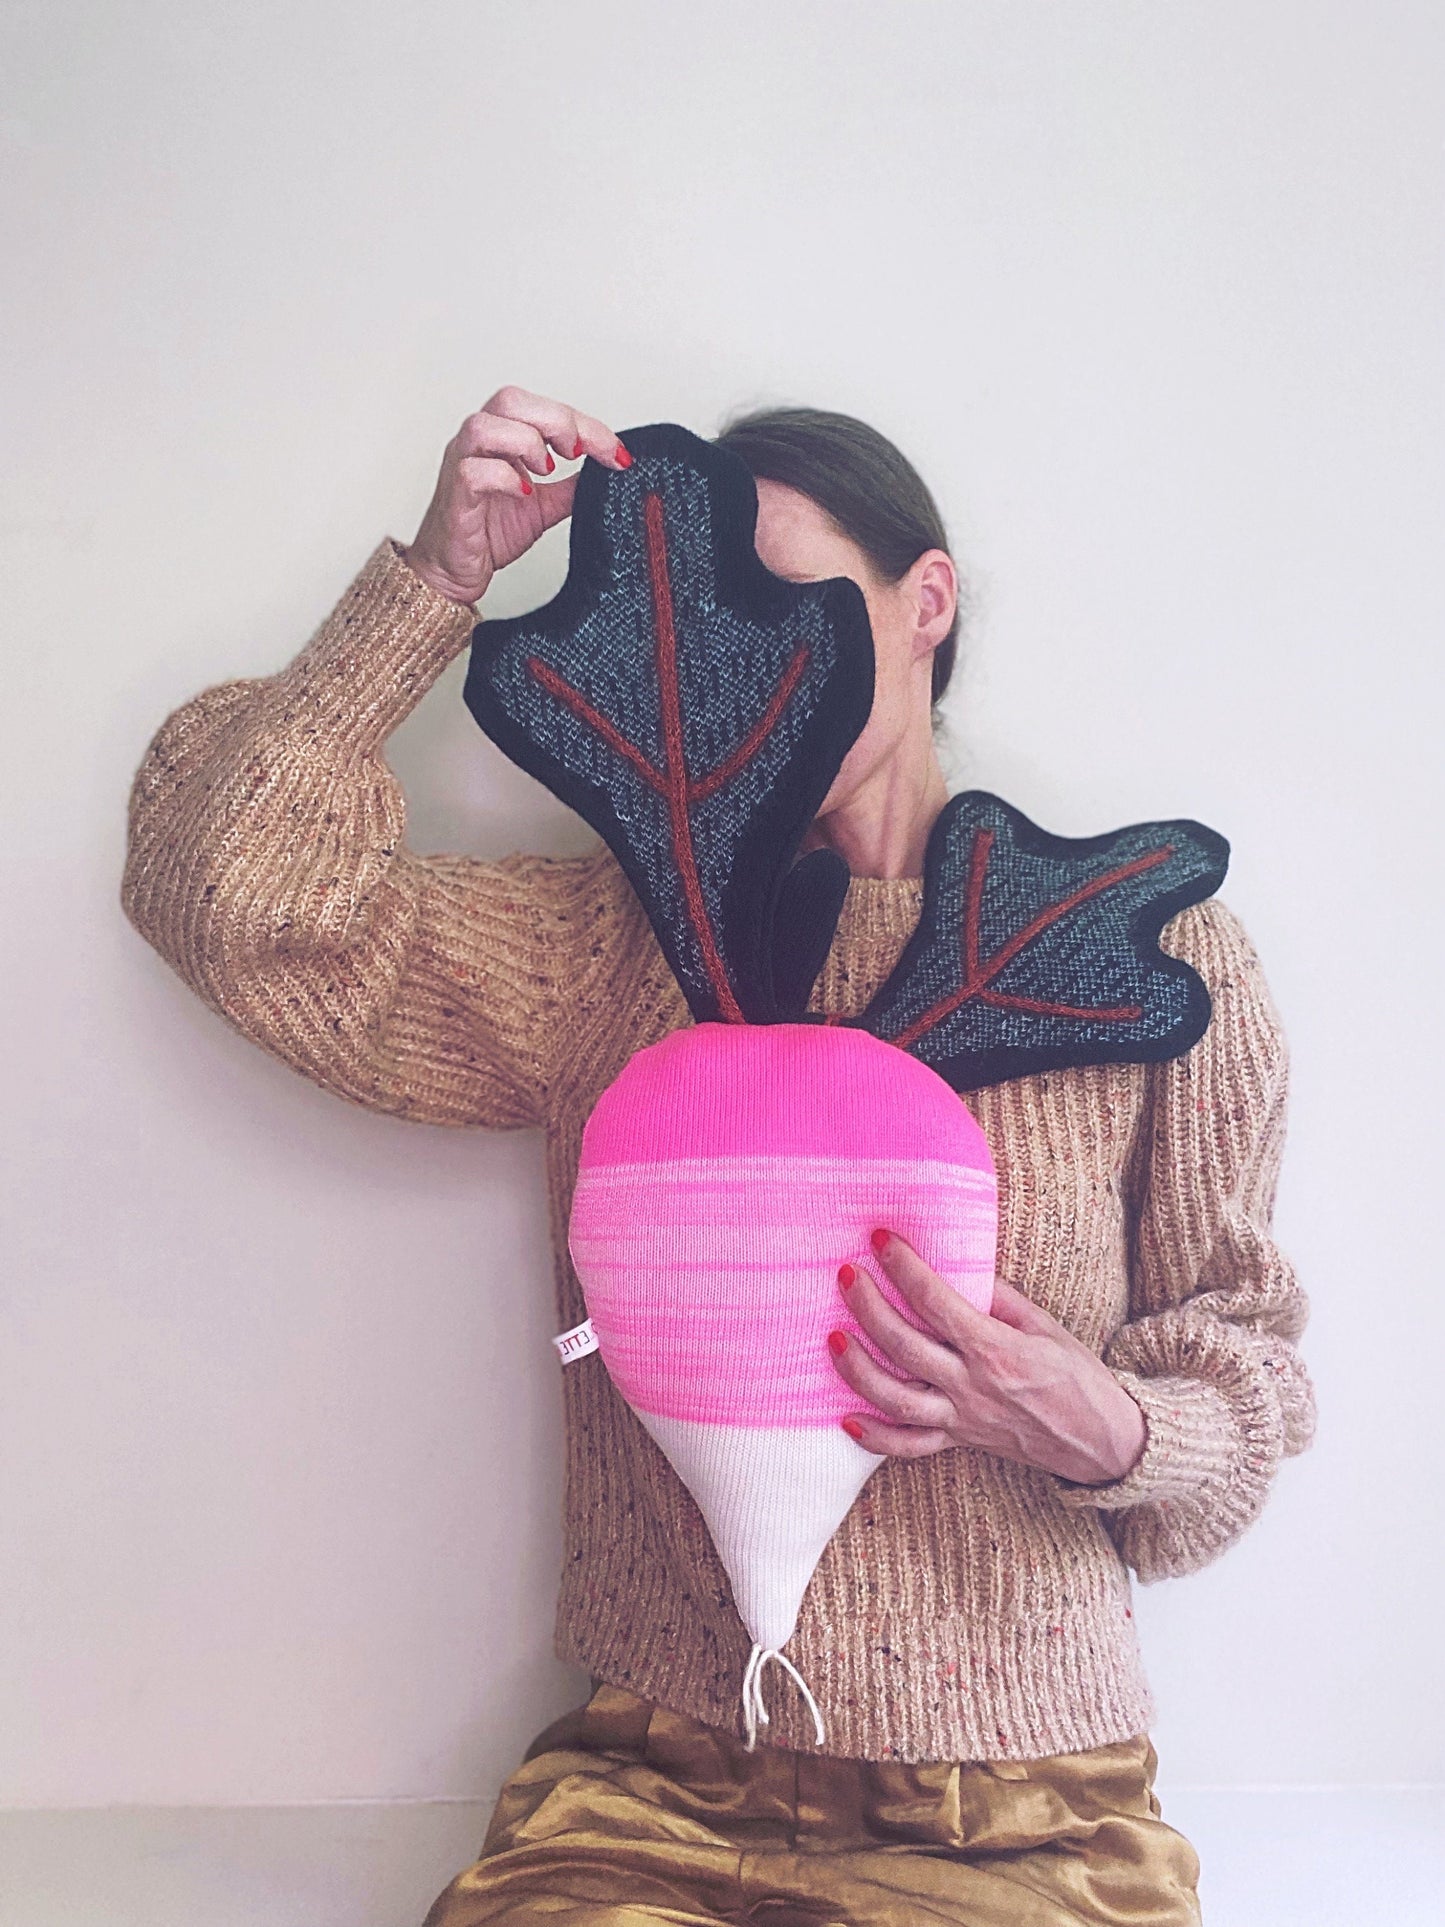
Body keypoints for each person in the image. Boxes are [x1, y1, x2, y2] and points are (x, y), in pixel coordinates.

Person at [121, 387, 1316, 1926]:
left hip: (1021, 1811)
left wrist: (1108, 1427)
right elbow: (227, 901)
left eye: (803, 597)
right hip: (650, 1787)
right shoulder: (604, 950)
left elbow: (1245, 1383)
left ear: (924, 603)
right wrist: (431, 584)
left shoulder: (1144, 961)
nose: (775, 662)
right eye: (729, 619)